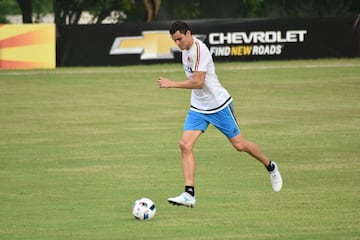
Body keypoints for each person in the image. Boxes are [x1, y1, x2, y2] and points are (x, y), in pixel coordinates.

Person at [157, 20, 282, 208]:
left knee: (240, 145)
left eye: (180, 39)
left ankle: (270, 166)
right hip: (199, 107)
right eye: (175, 41)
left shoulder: (201, 50)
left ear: (189, 33)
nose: (178, 43)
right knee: (184, 144)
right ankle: (189, 194)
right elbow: (196, 85)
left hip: (219, 105)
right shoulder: (185, 51)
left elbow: (198, 82)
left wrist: (172, 83)